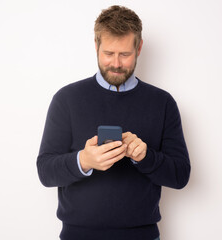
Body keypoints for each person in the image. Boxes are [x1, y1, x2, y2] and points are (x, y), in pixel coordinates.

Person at [37, 5, 190, 240]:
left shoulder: (162, 103)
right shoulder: (66, 99)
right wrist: (84, 161)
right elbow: (45, 171)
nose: (116, 64)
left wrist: (146, 157)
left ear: (139, 48)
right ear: (96, 46)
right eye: (108, 53)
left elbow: (180, 176)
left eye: (125, 55)